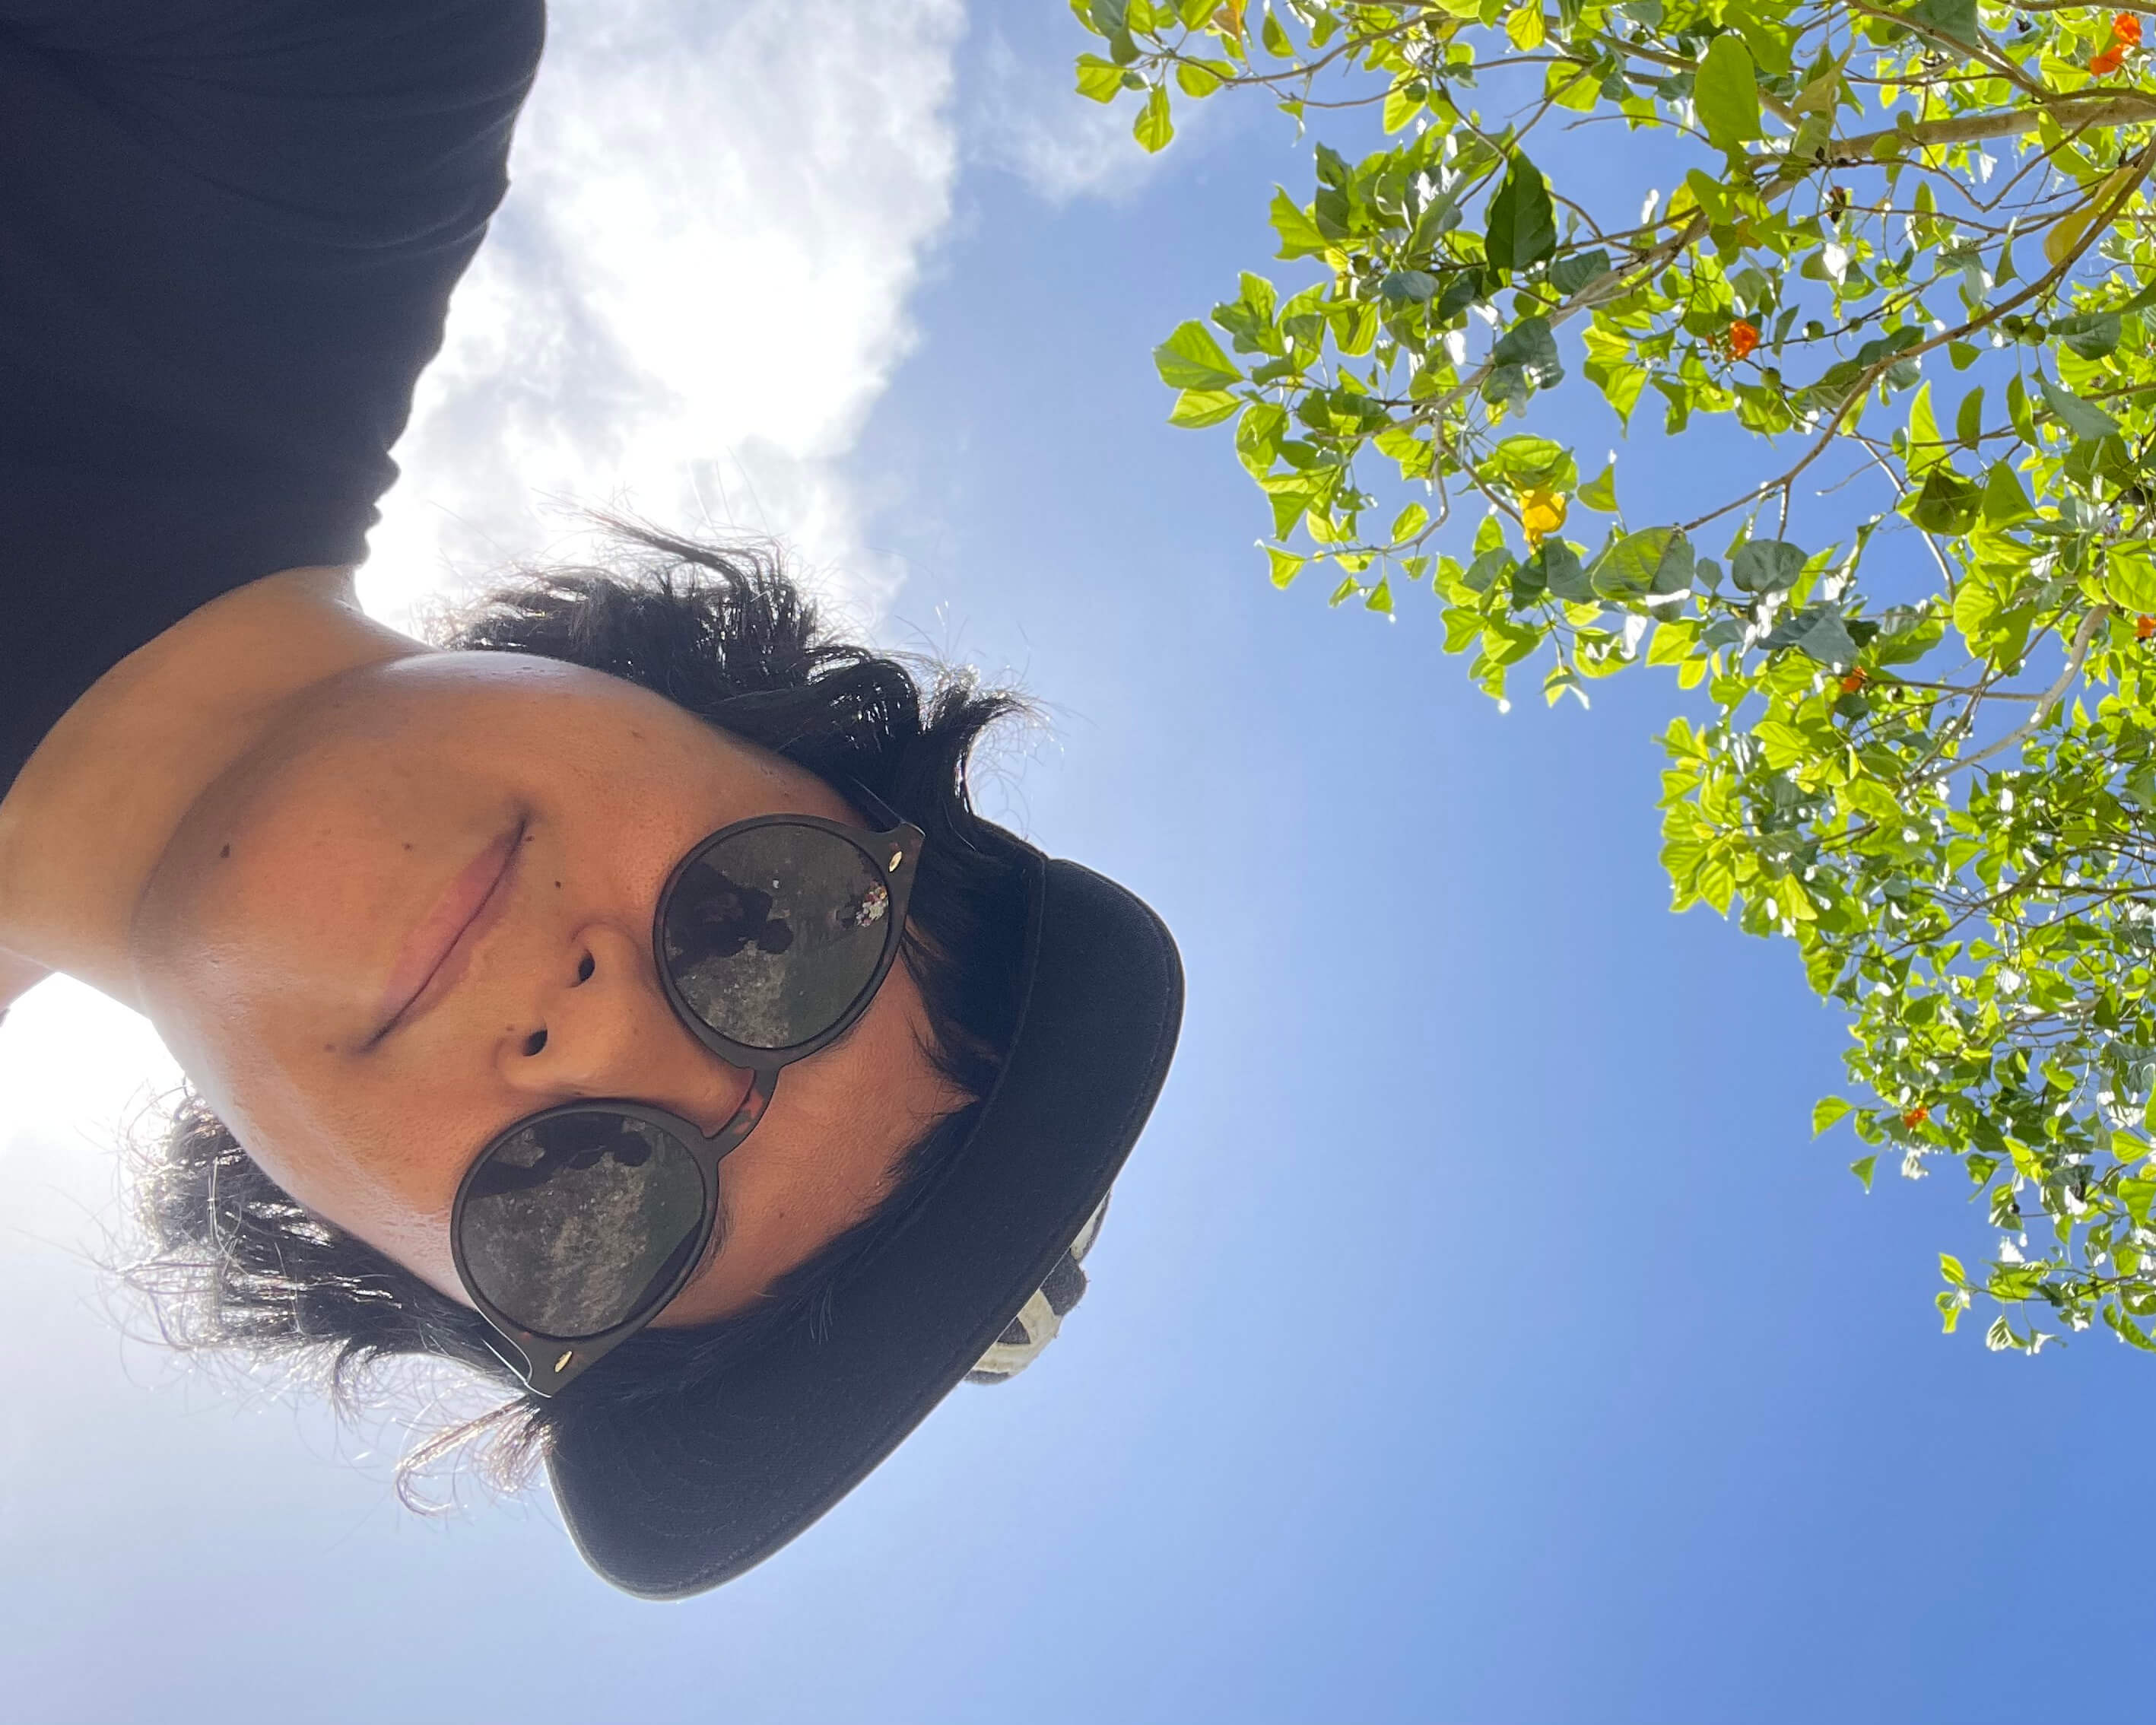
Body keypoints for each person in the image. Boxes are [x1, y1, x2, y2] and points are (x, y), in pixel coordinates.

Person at [0, 0, 1182, 1598]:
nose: (603, 1038)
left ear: (393, 1271)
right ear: (771, 737)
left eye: (591, 1223)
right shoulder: (312, 92)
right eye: (768, 938)